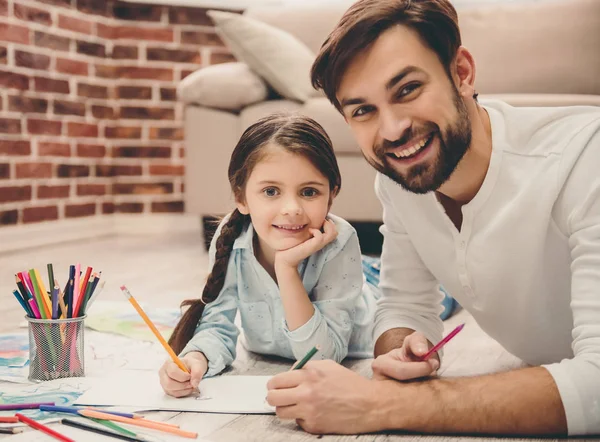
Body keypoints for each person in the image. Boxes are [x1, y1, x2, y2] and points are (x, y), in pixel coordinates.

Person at [266, 0, 600, 436]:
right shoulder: (400, 182)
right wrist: (400, 349)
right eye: (363, 110)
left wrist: (388, 404)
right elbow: (404, 305)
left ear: (462, 73)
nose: (392, 130)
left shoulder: (585, 157)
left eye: (407, 90)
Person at [159, 114, 454, 398]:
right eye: (271, 191)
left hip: (367, 298)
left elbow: (322, 357)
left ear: (332, 194)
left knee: (444, 286)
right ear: (241, 197)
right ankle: (368, 268)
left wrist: (286, 268)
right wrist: (196, 359)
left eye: (309, 192)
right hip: (351, 274)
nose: (292, 208)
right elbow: (217, 326)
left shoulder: (341, 239)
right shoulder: (232, 238)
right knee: (367, 270)